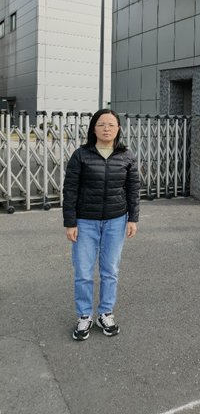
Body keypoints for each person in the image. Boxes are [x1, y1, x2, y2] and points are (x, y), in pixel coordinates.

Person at [63, 109, 140, 341]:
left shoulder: (127, 156)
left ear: (118, 129)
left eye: (111, 124)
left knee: (110, 270)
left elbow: (133, 189)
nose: (107, 128)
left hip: (116, 220)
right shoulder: (81, 155)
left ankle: (105, 313)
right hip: (85, 221)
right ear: (93, 128)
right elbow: (70, 190)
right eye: (101, 124)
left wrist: (133, 218)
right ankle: (84, 315)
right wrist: (70, 222)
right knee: (83, 271)